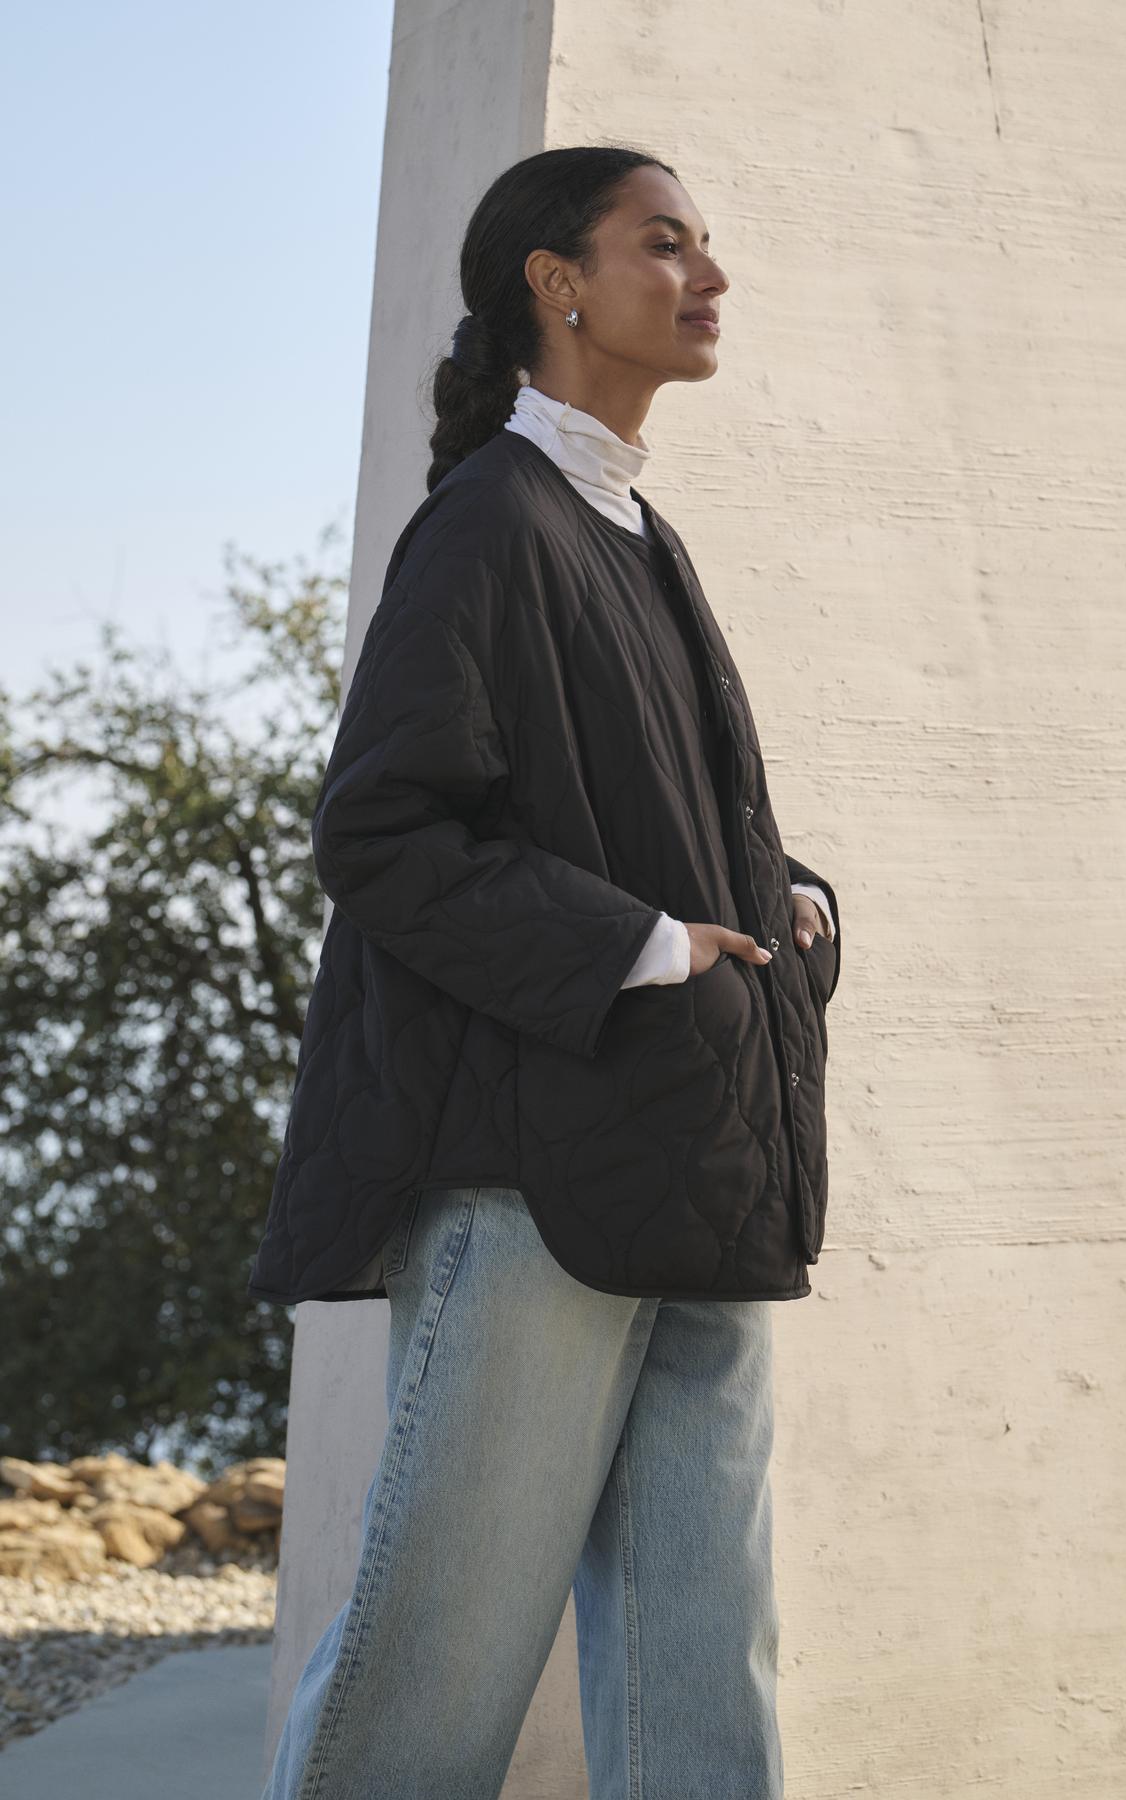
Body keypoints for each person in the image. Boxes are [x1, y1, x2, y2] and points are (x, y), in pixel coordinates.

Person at [255, 143, 842, 1800]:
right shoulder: (494, 522)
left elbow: (648, 819)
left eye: (710, 246)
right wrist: (650, 949)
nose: (707, 276)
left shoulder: (634, 529)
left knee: (700, 1677)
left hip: (700, 1162)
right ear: (555, 283)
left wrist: (781, 916)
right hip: (531, 1185)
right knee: (432, 1672)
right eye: (665, 244)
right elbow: (382, 835)